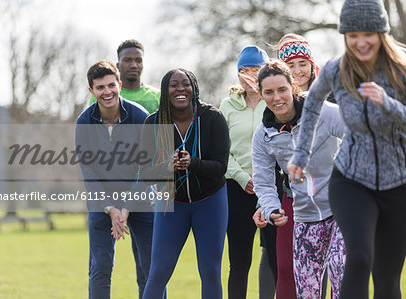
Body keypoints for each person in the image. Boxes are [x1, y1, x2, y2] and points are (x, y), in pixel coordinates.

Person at [288, 0, 406, 298]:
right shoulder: (336, 69)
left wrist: (387, 104)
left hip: (402, 184)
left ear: (382, 32)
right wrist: (300, 155)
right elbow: (312, 104)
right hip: (351, 180)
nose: (360, 42)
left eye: (367, 33)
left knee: (386, 278)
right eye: (352, 35)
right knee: (358, 259)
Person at [252, 60, 346, 298]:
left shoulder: (322, 112)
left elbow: (360, 132)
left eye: (282, 89)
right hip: (305, 215)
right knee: (307, 291)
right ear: (261, 94)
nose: (277, 97)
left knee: (340, 268)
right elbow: (263, 181)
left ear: (292, 86)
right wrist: (271, 207)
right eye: (269, 92)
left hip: (342, 208)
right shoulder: (264, 136)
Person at [141, 68, 230, 299]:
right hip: (171, 203)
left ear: (194, 89)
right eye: (173, 84)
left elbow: (221, 168)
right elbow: (145, 173)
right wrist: (168, 167)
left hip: (210, 202)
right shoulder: (153, 123)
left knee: (210, 271)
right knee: (158, 272)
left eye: (186, 83)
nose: (180, 88)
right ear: (165, 91)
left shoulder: (212, 118)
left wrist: (193, 163)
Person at [77, 60, 155, 299]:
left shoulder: (140, 117)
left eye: (111, 85)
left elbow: (147, 167)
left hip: (141, 200)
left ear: (119, 84)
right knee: (99, 268)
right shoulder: (84, 122)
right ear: (92, 91)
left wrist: (128, 206)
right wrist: (110, 208)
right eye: (100, 87)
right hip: (101, 203)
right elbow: (88, 171)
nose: (107, 91)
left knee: (150, 270)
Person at [219, 45, 272, 299]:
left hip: (272, 189)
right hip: (236, 190)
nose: (250, 76)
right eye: (245, 70)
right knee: (239, 262)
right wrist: (242, 177)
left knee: (274, 258)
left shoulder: (275, 101)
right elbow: (222, 150)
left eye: (257, 69)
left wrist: (262, 179)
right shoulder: (227, 106)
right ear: (238, 74)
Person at [89, 39, 160, 114]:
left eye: (138, 61)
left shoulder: (158, 96)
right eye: (127, 60)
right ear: (118, 66)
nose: (134, 65)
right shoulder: (102, 95)